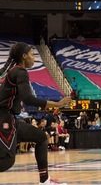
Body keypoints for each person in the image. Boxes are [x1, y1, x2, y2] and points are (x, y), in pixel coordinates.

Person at [0, 42, 71, 185]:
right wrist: (57, 104)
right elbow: (28, 99)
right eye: (32, 54)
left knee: (41, 137)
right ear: (24, 56)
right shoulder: (19, 72)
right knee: (7, 161)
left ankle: (44, 181)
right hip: (3, 118)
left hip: (10, 118)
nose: (34, 58)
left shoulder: (14, 71)